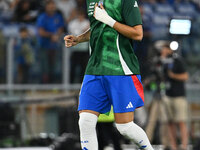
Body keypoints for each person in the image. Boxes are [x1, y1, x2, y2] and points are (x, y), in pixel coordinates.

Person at [64, 0, 154, 150]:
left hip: (120, 69)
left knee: (124, 127)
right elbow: (97, 28)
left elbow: (138, 34)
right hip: (94, 69)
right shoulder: (91, 1)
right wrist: (79, 39)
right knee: (85, 121)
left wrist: (109, 20)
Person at [160, 44, 189, 150]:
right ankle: (174, 147)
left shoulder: (177, 60)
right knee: (170, 123)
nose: (163, 51)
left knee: (181, 122)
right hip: (167, 95)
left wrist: (173, 76)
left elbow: (185, 76)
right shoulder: (163, 62)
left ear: (169, 49)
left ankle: (184, 146)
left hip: (179, 96)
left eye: (164, 49)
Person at [37, 0, 65, 83]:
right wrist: (51, 35)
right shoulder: (42, 17)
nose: (52, 8)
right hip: (44, 45)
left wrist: (57, 35)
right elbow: (41, 32)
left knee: (54, 67)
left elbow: (61, 29)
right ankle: (44, 86)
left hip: (55, 46)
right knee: (44, 67)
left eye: (53, 6)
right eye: (50, 6)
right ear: (46, 7)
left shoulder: (58, 17)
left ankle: (53, 85)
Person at [67, 9, 90, 83]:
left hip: (84, 50)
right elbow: (73, 35)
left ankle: (82, 84)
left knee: (83, 68)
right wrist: (83, 32)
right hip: (75, 49)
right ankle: (71, 84)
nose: (80, 17)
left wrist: (82, 33)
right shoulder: (72, 23)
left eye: (81, 15)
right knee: (73, 67)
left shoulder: (87, 22)